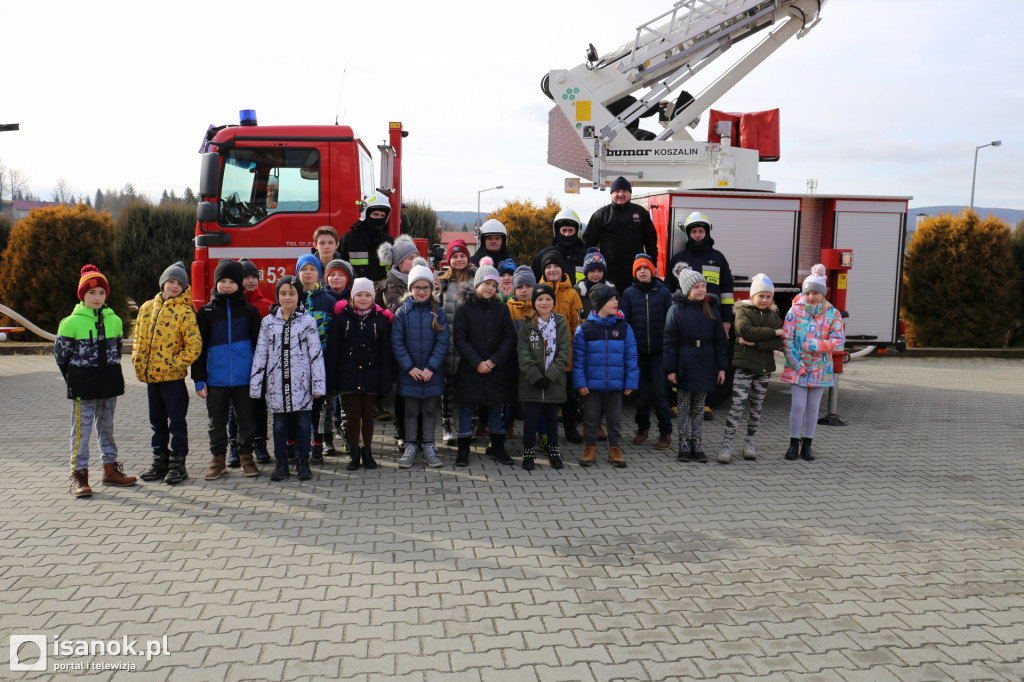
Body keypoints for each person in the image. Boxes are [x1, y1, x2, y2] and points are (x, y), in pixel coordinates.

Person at [55, 265, 134, 497]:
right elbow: (62, 357)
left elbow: (117, 351)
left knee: (107, 428)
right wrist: (74, 380)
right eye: (92, 293)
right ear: (82, 295)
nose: (97, 297)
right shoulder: (70, 323)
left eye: (101, 292)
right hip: (83, 386)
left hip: (109, 383)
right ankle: (80, 475)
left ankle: (110, 470)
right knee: (81, 432)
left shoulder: (115, 320)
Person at [250, 276, 326, 482]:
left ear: (299, 295)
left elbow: (316, 355)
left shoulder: (307, 321)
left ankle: (303, 460)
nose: (287, 297)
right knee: (279, 425)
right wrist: (256, 386)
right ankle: (281, 461)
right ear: (277, 295)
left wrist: (318, 384)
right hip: (276, 385)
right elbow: (260, 354)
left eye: (292, 293)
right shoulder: (268, 322)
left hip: (302, 385)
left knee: (303, 424)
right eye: (283, 293)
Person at [133, 261, 202, 486]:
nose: (174, 286)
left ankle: (178, 464)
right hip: (151, 378)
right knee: (157, 423)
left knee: (177, 422)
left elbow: (194, 346)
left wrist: (174, 363)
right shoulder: (145, 309)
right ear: (163, 283)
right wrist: (137, 359)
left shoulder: (185, 311)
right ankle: (159, 461)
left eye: (178, 283)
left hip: (173, 380)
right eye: (170, 281)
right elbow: (137, 338)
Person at [193, 260, 263, 480]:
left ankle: (246, 456)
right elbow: (198, 348)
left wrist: (260, 376)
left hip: (245, 378)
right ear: (216, 283)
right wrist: (198, 377)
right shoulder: (206, 312)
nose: (226, 285)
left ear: (239, 284)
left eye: (231, 281)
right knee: (216, 422)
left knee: (247, 421)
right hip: (216, 379)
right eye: (222, 281)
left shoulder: (250, 312)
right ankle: (218, 459)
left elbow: (260, 347)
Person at [453, 258, 516, 467]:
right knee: (467, 408)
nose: (490, 288)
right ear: (477, 283)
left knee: (496, 407)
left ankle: (498, 447)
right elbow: (460, 339)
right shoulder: (464, 308)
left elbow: (509, 337)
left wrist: (494, 360)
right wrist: (478, 362)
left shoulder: (501, 308)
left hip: (496, 368)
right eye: (487, 283)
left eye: (494, 285)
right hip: (471, 368)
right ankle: (463, 450)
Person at [326, 278, 394, 471]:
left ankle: (368, 451)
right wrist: (333, 380)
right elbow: (333, 352)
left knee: (368, 414)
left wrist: (385, 381)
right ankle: (354, 452)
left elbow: (386, 354)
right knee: (353, 414)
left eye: (367, 295)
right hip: (348, 376)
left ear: (373, 297)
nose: (363, 299)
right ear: (352, 297)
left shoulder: (381, 321)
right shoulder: (342, 319)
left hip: (372, 376)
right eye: (359, 295)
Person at [664, 263, 729, 463]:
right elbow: (669, 342)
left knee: (699, 406)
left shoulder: (711, 309)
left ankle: (697, 444)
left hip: (705, 363)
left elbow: (720, 341)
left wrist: (721, 367)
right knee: (683, 406)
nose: (701, 290)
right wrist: (671, 369)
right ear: (687, 290)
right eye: (696, 287)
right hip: (685, 363)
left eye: (703, 286)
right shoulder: (676, 310)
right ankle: (684, 444)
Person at [781, 264, 845, 462]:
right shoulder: (794, 311)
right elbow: (787, 340)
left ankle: (808, 444)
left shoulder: (833, 314)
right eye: (808, 292)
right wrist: (796, 364)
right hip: (798, 367)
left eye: (816, 293)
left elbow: (838, 339)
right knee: (798, 405)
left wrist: (817, 345)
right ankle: (793, 442)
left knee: (813, 407)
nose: (811, 297)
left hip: (820, 368)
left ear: (823, 294)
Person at [719, 273, 784, 463]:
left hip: (764, 368)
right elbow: (745, 331)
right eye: (761, 296)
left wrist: (754, 344)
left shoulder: (774, 314)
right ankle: (726, 445)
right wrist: (773, 332)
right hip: (744, 367)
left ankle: (750, 443)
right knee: (737, 407)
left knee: (756, 408)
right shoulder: (742, 311)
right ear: (752, 295)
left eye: (768, 296)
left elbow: (777, 343)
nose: (764, 300)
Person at [572, 283, 639, 468]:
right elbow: (578, 359)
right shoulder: (584, 329)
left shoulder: (624, 327)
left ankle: (615, 449)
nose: (616, 302)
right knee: (591, 417)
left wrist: (630, 381)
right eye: (611, 299)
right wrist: (580, 382)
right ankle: (590, 448)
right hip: (592, 385)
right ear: (600, 304)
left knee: (615, 418)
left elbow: (631, 356)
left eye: (616, 298)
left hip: (616, 384)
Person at [391, 260, 450, 469]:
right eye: (417, 287)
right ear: (411, 288)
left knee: (429, 411)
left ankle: (428, 445)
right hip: (410, 374)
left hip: (431, 373)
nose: (422, 291)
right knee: (410, 411)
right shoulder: (402, 312)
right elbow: (397, 343)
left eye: (426, 287)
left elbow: (443, 342)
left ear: (431, 288)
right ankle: (410, 446)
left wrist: (431, 368)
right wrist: (410, 367)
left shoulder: (438, 311)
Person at [620, 253, 674, 450]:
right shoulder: (628, 293)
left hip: (660, 353)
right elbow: (624, 322)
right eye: (639, 269)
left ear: (653, 270)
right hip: (638, 353)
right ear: (635, 273)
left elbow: (671, 321)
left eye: (646, 268)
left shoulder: (664, 292)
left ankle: (665, 432)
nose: (643, 271)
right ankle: (642, 429)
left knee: (660, 394)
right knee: (641, 395)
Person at [517, 283, 570, 471]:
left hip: (553, 382)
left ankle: (554, 450)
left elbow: (564, 353)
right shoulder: (527, 324)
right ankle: (528, 452)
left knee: (551, 417)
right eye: (540, 299)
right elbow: (523, 353)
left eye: (548, 299)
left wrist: (550, 376)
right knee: (530, 417)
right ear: (534, 303)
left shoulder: (561, 323)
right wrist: (535, 376)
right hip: (531, 382)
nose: (544, 302)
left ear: (553, 302)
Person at [582, 177, 658, 294]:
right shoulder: (601, 215)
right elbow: (588, 242)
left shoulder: (641, 213)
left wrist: (653, 264)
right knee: (611, 304)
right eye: (617, 191)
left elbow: (651, 241)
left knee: (634, 305)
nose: (621, 194)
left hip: (636, 272)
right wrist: (594, 267)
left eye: (625, 191)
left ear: (630, 194)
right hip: (609, 273)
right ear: (611, 193)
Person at [539, 250, 584, 444]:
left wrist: (573, 349)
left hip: (567, 355)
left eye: (556, 266)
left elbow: (578, 325)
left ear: (562, 269)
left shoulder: (573, 294)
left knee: (569, 397)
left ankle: (570, 428)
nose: (552, 270)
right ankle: (546, 432)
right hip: (543, 355)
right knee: (545, 396)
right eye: (548, 267)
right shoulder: (537, 291)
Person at [295, 254, 335, 463]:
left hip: (321, 365)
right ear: (298, 273)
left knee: (318, 410)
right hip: (295, 366)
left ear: (319, 272)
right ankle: (298, 447)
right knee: (298, 408)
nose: (308, 273)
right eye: (303, 269)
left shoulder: (328, 300)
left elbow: (334, 334)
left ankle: (317, 446)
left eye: (312, 268)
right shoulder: (290, 297)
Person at [437, 239, 476, 445]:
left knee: (470, 385)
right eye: (455, 256)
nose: (459, 259)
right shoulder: (443, 282)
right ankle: (447, 424)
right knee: (448, 386)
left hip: (469, 343)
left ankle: (471, 424)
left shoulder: (476, 280)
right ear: (449, 259)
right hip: (448, 340)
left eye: (462, 256)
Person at [237, 258, 273, 463]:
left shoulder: (266, 306)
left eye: (254, 277)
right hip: (239, 367)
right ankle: (236, 447)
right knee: (237, 409)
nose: (250, 281)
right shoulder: (233, 306)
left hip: (260, 367)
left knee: (259, 407)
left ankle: (260, 444)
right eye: (246, 277)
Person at [319, 258, 355, 458]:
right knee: (325, 401)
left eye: (341, 274)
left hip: (348, 359)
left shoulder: (355, 298)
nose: (336, 278)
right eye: (332, 274)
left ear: (348, 278)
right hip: (325, 359)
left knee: (346, 401)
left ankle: (348, 436)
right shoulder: (321, 298)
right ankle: (325, 437)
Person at [337, 193, 395, 283]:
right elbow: (338, 267)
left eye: (382, 216)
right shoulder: (348, 239)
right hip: (355, 292)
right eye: (375, 214)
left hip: (382, 292)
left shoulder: (389, 241)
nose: (379, 218)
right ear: (366, 214)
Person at [532, 208, 588, 284]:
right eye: (564, 230)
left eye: (570, 230)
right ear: (557, 231)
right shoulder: (543, 256)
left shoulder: (586, 256)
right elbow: (532, 285)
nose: (567, 234)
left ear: (577, 231)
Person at [574, 248, 607, 321]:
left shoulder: (610, 289)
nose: (596, 274)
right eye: (592, 271)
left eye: (599, 271)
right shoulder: (578, 291)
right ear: (586, 272)